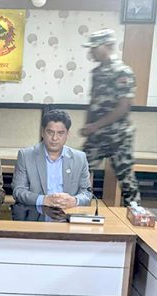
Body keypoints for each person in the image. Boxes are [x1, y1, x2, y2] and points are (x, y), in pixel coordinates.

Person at [80, 28, 140, 206]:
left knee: (127, 180)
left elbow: (123, 107)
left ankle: (137, 214)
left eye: (94, 47)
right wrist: (88, 125)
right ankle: (76, 209)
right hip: (96, 136)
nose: (91, 51)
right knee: (79, 170)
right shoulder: (97, 73)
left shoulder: (122, 72)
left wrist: (95, 125)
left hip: (118, 136)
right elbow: (94, 103)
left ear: (107, 46)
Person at [12, 110, 93, 207]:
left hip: (68, 211)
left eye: (60, 133)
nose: (54, 138)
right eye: (50, 132)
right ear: (42, 132)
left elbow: (87, 192)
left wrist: (75, 201)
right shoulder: (26, 156)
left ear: (67, 134)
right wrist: (44, 200)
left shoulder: (79, 158)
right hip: (37, 211)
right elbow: (18, 191)